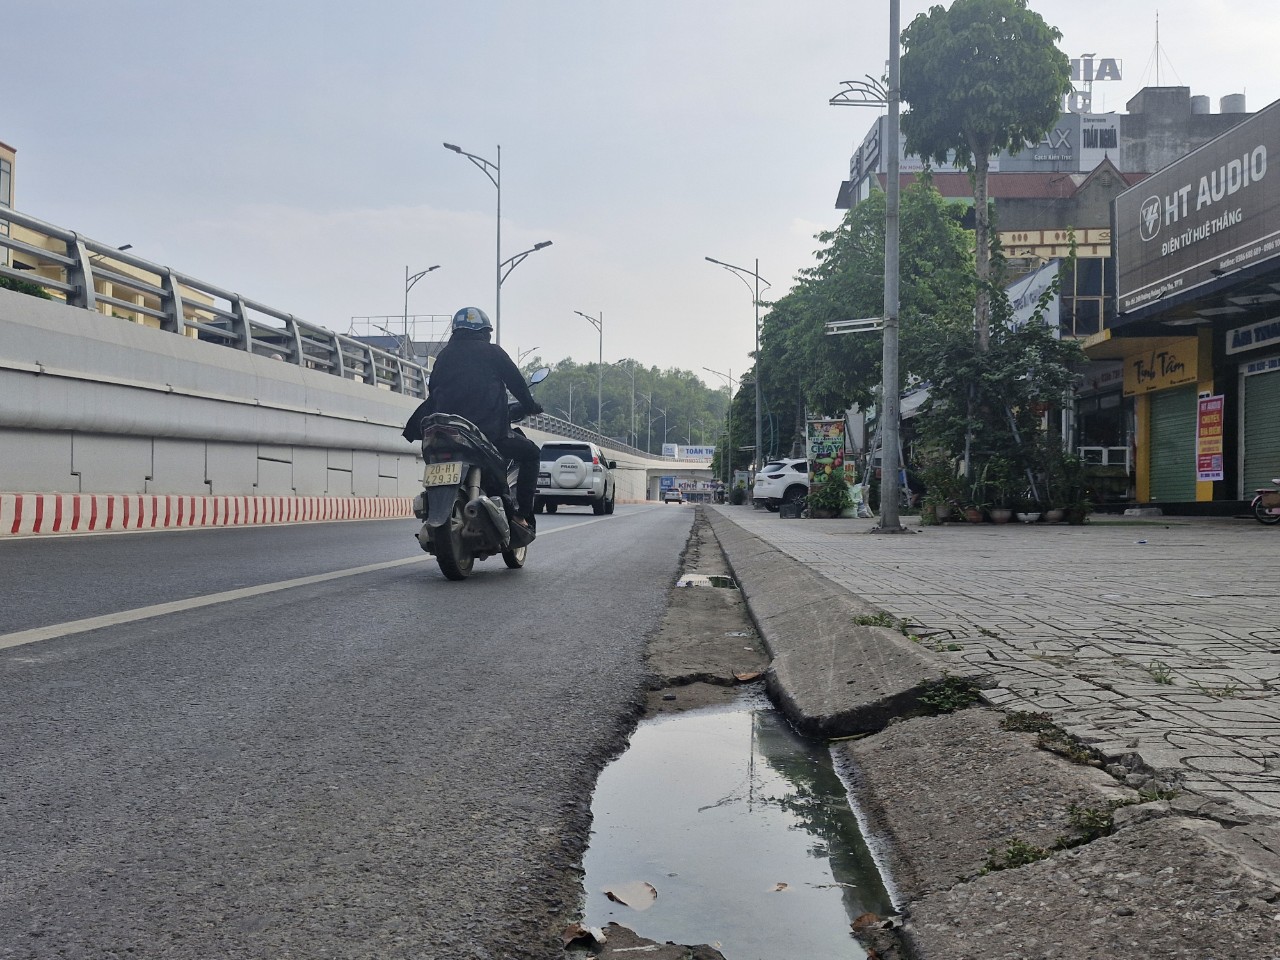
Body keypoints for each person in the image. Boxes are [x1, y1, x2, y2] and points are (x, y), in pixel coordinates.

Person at [402, 307, 543, 532]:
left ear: (456, 332)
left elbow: (434, 390)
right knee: (532, 454)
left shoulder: (444, 357)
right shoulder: (493, 353)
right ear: (485, 332)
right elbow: (517, 384)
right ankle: (521, 516)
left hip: (444, 431)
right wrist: (530, 406)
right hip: (488, 433)